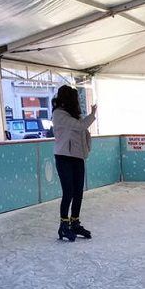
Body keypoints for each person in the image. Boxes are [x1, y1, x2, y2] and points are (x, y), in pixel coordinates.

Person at [52, 85, 97, 241]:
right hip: (64, 157)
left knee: (78, 192)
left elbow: (83, 132)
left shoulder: (74, 116)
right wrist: (92, 115)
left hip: (77, 157)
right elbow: (80, 126)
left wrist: (86, 150)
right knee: (68, 192)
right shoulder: (58, 115)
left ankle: (74, 222)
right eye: (75, 98)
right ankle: (63, 225)